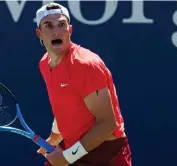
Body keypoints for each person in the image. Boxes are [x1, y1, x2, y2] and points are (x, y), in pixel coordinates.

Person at [35, 2, 132, 166]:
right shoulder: (45, 64)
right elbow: (66, 104)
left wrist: (67, 157)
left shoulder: (85, 65)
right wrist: (56, 135)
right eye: (48, 26)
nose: (56, 31)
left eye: (61, 25)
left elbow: (107, 124)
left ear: (69, 31)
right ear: (39, 33)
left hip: (106, 154)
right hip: (77, 146)